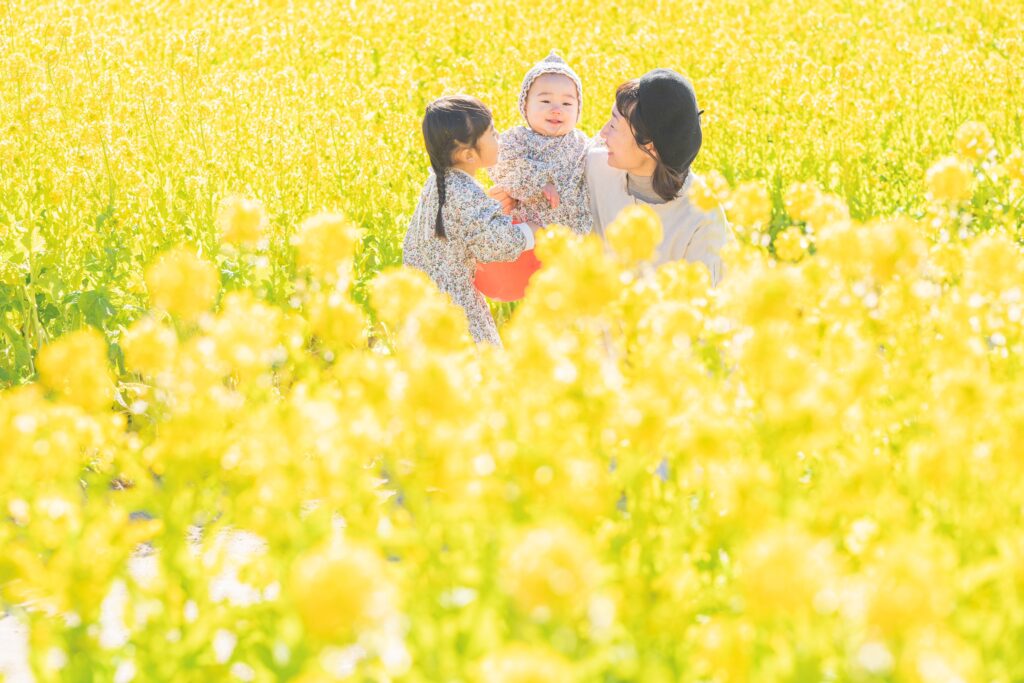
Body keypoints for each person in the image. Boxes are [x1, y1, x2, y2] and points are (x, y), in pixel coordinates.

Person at [402, 95, 540, 346]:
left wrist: (490, 209)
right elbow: (495, 243)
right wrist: (532, 231)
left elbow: (463, 224)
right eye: (493, 134)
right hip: (455, 309)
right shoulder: (463, 192)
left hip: (423, 304)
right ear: (468, 155)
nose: (499, 140)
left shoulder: (439, 181)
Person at [587, 69, 729, 285]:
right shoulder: (594, 167)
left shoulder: (702, 220)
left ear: (650, 146)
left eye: (614, 125)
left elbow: (707, 308)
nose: (603, 133)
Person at [488, 51, 592, 236]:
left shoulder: (582, 143)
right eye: (545, 101)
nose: (556, 110)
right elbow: (500, 165)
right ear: (525, 106)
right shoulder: (517, 139)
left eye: (567, 104)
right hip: (526, 231)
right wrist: (538, 183)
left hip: (570, 237)